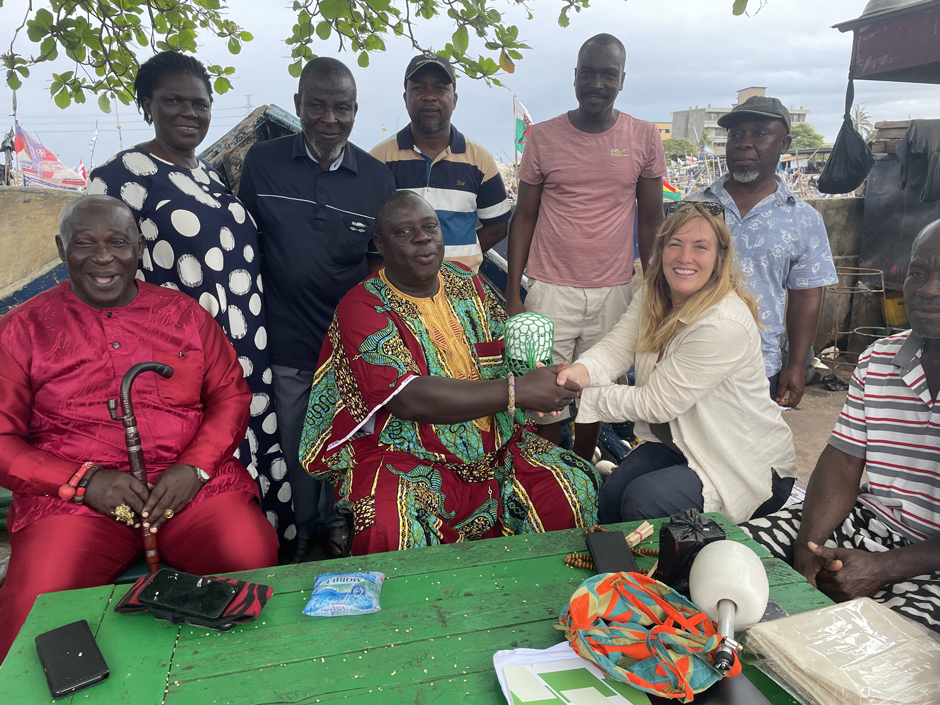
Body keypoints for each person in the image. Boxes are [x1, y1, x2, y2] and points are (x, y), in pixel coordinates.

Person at [0, 195, 278, 663]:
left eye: (117, 242)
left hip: (189, 491)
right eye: (84, 243)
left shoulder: (185, 316)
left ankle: (248, 677)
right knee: (33, 602)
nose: (103, 256)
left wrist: (193, 469)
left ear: (139, 247)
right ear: (61, 248)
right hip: (73, 504)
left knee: (250, 556)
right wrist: (83, 483)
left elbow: (230, 398)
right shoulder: (20, 330)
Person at [299, 191, 600, 555]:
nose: (423, 238)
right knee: (388, 524)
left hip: (497, 449)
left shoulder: (464, 281)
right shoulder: (362, 306)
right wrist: (517, 391)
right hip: (405, 455)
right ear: (379, 243)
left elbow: (502, 349)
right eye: (404, 232)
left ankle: (549, 600)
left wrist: (543, 380)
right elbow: (409, 398)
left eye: (430, 227)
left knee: (573, 482)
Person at [86, 52, 293, 542]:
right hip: (178, 354)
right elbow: (99, 273)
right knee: (202, 464)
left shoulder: (210, 177)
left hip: (245, 347)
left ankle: (266, 556)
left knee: (254, 440)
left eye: (199, 104)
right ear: (146, 104)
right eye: (173, 101)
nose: (189, 113)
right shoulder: (120, 178)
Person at [741, 220, 940, 633]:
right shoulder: (879, 360)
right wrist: (807, 549)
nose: (928, 290)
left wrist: (884, 568)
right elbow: (843, 461)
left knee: (888, 648)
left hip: (930, 558)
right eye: (919, 272)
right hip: (872, 523)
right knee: (726, 556)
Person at [239, 58, 396, 561]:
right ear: (299, 105)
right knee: (294, 444)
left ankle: (338, 527)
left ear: (355, 111)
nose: (330, 118)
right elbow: (248, 250)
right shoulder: (261, 163)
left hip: (350, 346)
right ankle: (301, 538)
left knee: (349, 439)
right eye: (318, 106)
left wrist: (371, 343)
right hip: (285, 340)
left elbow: (379, 270)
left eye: (342, 108)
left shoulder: (376, 178)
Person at [559, 201, 797, 524]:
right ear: (662, 249)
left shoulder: (722, 322)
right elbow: (616, 348)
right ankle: (616, 571)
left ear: (719, 258)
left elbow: (656, 403)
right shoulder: (654, 293)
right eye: (675, 244)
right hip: (683, 442)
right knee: (612, 493)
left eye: (700, 247)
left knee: (641, 502)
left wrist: (576, 394)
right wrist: (572, 375)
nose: (685, 258)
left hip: (744, 461)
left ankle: (670, 574)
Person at [506, 34, 666, 460]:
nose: (597, 83)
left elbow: (652, 220)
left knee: (594, 392)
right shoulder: (542, 137)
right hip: (549, 289)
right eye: (589, 73)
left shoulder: (645, 136)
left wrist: (654, 289)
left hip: (614, 290)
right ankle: (542, 472)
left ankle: (581, 467)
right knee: (544, 392)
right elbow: (523, 217)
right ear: (575, 77)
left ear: (622, 80)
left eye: (608, 74)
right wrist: (512, 294)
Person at [690, 96, 837, 407]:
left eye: (758, 134)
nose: (744, 143)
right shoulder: (691, 208)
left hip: (758, 367)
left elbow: (807, 295)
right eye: (735, 135)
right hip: (687, 359)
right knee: (675, 452)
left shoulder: (804, 220)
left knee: (746, 453)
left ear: (784, 143)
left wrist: (796, 365)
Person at [370, 52, 512, 272]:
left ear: (454, 100)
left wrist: (462, 259)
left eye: (440, 88)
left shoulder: (479, 160)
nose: (429, 96)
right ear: (405, 97)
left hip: (462, 291)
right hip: (399, 291)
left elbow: (498, 225)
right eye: (419, 88)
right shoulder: (379, 160)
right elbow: (370, 230)